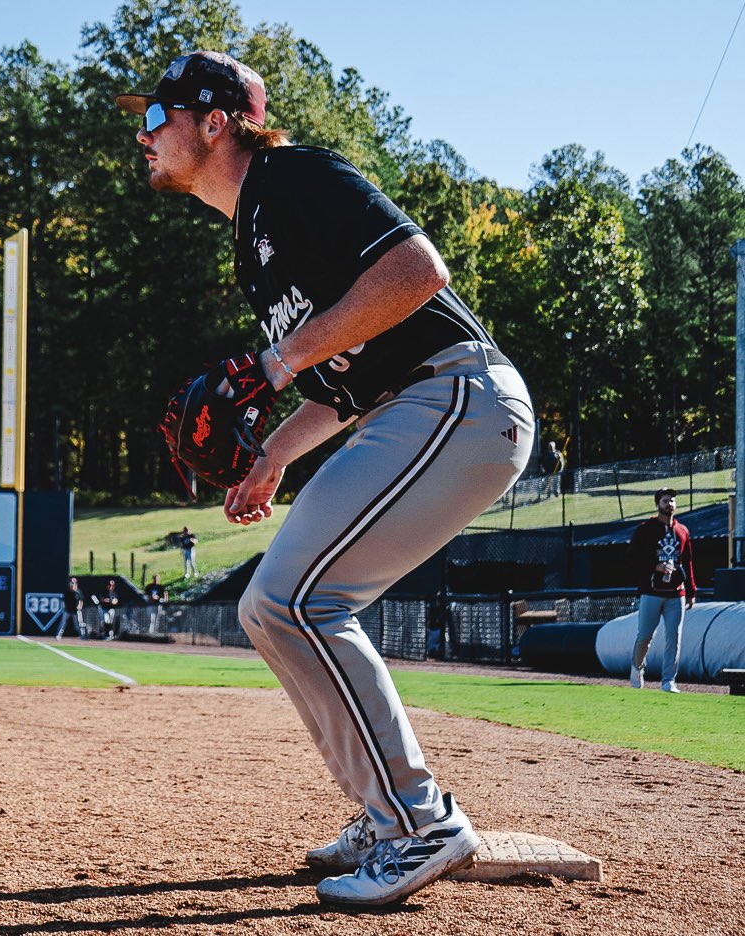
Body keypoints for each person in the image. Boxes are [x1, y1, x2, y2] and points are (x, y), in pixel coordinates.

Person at [116, 50, 534, 906]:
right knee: (271, 606)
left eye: (155, 119)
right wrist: (272, 456)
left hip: (459, 396)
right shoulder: (253, 242)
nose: (143, 135)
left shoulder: (292, 176)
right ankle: (389, 817)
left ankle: (421, 826)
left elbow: (419, 274)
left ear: (213, 122)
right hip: (407, 408)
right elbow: (343, 383)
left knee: (298, 599)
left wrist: (271, 365)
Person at [626, 487, 696, 693]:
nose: (670, 504)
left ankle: (668, 681)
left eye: (672, 501)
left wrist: (692, 591)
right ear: (658, 504)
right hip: (652, 591)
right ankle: (637, 669)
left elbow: (688, 562)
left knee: (674, 637)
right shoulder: (645, 529)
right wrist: (654, 566)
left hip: (677, 593)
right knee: (645, 636)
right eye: (665, 501)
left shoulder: (683, 531)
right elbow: (631, 558)